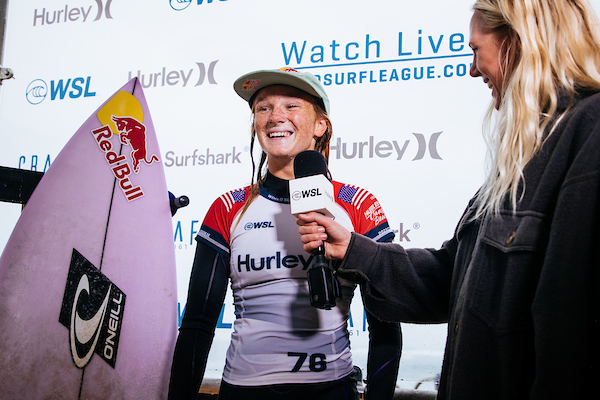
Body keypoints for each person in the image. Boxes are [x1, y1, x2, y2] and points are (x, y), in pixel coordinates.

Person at [297, 1, 600, 399]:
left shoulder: (590, 130)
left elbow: (573, 332)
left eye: (475, 50)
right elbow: (448, 278)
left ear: (520, 40)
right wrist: (353, 250)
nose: (473, 69)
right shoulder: (522, 157)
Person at [168, 67, 401, 400]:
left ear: (320, 125)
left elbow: (386, 327)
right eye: (263, 107)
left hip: (331, 390)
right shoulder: (228, 208)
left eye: (291, 105)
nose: (275, 116)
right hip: (242, 391)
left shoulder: (358, 204)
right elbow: (197, 324)